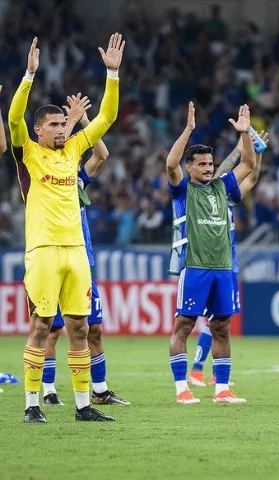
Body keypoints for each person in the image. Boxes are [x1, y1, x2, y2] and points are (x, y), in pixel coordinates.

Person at [11, 35, 124, 423]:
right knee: (41, 325)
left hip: (77, 250)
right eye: (55, 124)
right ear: (39, 130)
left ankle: (82, 406)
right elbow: (13, 119)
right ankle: (31, 404)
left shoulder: (74, 151)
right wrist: (29, 76)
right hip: (43, 250)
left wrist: (112, 73)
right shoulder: (28, 152)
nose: (62, 129)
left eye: (64, 123)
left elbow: (107, 118)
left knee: (79, 326)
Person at [41, 94, 129, 407]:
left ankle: (101, 390)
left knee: (93, 327)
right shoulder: (45, 175)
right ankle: (49, 392)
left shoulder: (78, 179)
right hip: (53, 254)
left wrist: (85, 122)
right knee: (52, 330)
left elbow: (102, 153)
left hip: (84, 259)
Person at [166, 102, 256, 405]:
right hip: (195, 266)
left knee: (221, 328)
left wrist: (244, 135)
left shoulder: (221, 186)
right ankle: (182, 389)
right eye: (201, 164)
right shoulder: (182, 190)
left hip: (223, 267)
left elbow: (249, 166)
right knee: (184, 326)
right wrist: (188, 130)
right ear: (189, 167)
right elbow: (169, 164)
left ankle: (222, 390)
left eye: (209, 163)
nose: (207, 168)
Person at [188, 130, 269, 388]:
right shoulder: (211, 192)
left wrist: (258, 152)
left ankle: (211, 373)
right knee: (210, 322)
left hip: (228, 265)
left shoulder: (228, 200)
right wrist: (238, 148)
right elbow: (220, 174)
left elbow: (252, 176)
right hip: (206, 263)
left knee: (220, 323)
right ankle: (197, 369)